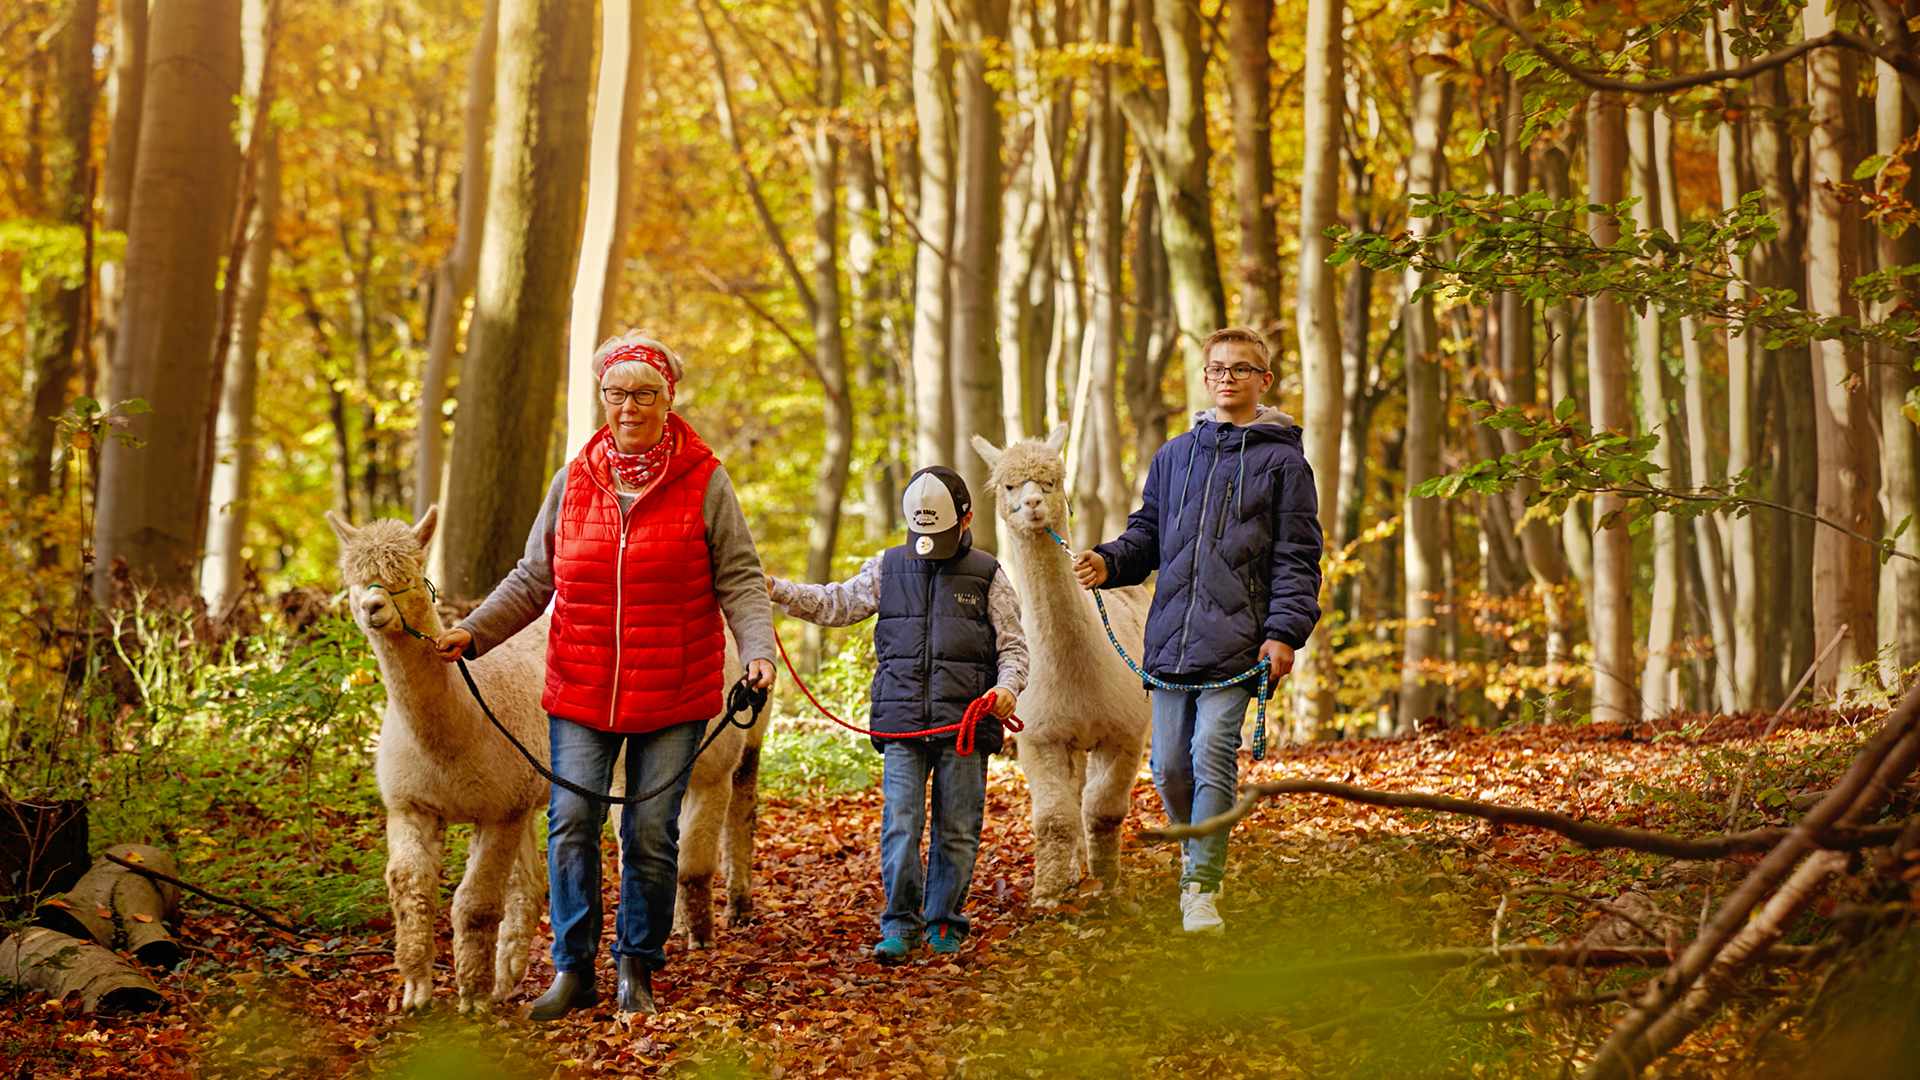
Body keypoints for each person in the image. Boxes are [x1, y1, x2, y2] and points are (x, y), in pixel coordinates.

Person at [433, 330, 777, 1018]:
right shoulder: (574, 480)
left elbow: (740, 575)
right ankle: (573, 970)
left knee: (650, 831)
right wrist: (474, 633)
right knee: (570, 823)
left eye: (644, 393)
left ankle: (637, 969)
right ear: (603, 397)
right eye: (617, 393)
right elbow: (534, 577)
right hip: (582, 688)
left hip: (676, 691)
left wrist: (758, 647)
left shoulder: (705, 481)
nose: (629, 406)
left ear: (666, 398)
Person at [1070, 326, 1322, 934]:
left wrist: (1284, 633)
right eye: (1217, 368)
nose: (1227, 376)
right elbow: (1146, 536)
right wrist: (1109, 561)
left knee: (1213, 755)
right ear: (1205, 377)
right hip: (1171, 642)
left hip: (1241, 644)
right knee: (1169, 771)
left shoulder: (1285, 463)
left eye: (1241, 368)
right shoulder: (1174, 456)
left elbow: (1297, 557)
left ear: (1264, 381)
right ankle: (1196, 850)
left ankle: (1200, 888)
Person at [766, 467, 1027, 963]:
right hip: (902, 722)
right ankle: (899, 924)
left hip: (967, 727)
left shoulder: (989, 573)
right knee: (901, 824)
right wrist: (778, 589)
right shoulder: (887, 567)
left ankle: (945, 922)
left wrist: (1006, 688)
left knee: (957, 828)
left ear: (966, 518)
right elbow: (836, 603)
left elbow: (1014, 646)